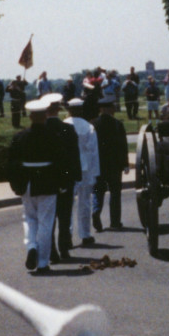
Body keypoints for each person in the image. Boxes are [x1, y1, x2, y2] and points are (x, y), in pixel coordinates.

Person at [7, 99, 63, 274]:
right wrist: (62, 183)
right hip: (47, 182)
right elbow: (61, 162)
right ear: (45, 115)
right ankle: (43, 262)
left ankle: (31, 246)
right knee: (46, 222)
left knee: (30, 219)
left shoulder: (20, 137)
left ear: (31, 116)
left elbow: (11, 163)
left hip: (27, 183)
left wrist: (16, 184)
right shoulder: (54, 136)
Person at [41, 95, 80, 263]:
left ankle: (51, 252)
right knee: (64, 216)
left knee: (48, 218)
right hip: (65, 178)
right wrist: (75, 176)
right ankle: (64, 248)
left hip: (46, 179)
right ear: (58, 109)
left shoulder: (40, 130)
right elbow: (74, 156)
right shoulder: (68, 129)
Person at [64, 98, 100, 246]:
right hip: (84, 167)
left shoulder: (64, 124)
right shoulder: (88, 127)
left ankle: (67, 236)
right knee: (85, 203)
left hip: (67, 168)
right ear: (81, 110)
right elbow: (93, 151)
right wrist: (95, 173)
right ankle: (85, 234)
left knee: (67, 204)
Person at [91, 96, 129, 232]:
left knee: (98, 191)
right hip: (114, 164)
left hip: (99, 164)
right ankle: (115, 221)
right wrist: (125, 163)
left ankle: (96, 210)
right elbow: (123, 146)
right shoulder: (117, 124)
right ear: (110, 109)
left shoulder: (93, 124)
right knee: (115, 193)